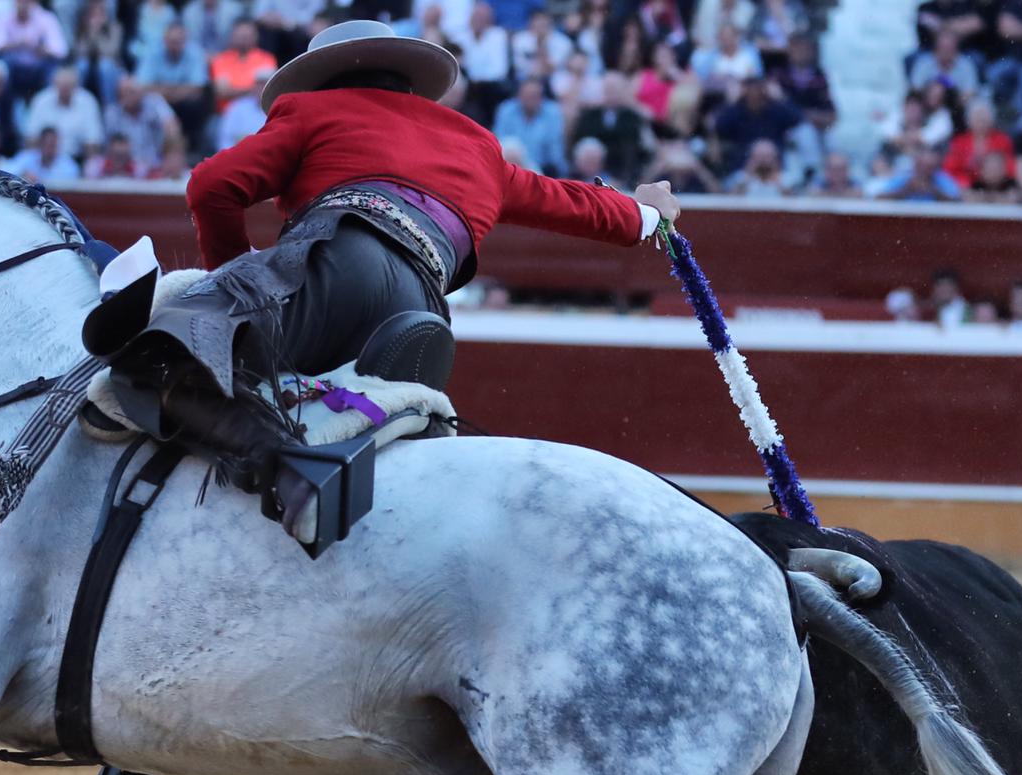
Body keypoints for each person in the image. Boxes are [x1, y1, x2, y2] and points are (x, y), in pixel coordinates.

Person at [83, 20, 681, 541]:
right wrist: (645, 213)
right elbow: (574, 203)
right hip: (419, 315)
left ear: (321, 81)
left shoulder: (313, 110)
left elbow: (211, 187)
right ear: (407, 80)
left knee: (151, 354)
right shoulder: (479, 145)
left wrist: (235, 281)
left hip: (336, 273)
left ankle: (285, 468)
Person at [25, 65, 104, 162]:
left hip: (76, 159)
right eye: (61, 86)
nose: (64, 90)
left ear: (76, 86)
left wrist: (87, 165)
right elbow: (31, 138)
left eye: (69, 86)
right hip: (44, 159)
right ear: (54, 84)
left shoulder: (88, 101)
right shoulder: (41, 100)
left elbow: (93, 141)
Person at [492, 76, 566, 175]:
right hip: (510, 168)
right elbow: (500, 143)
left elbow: (555, 152)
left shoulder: (553, 113)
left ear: (542, 97)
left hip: (542, 171)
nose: (531, 100)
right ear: (518, 95)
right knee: (510, 145)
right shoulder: (506, 110)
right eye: (527, 95)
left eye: (535, 96)